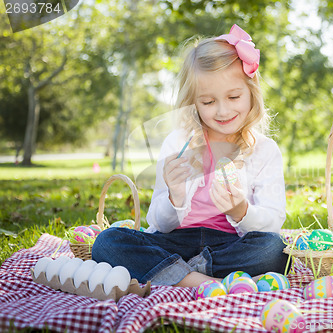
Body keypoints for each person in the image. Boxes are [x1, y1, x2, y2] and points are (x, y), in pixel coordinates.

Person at [92, 24, 288, 288]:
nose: (222, 110)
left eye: (233, 96)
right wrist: (174, 197)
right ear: (193, 102)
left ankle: (176, 274)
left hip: (229, 245)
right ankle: (202, 280)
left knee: (275, 250)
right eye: (208, 102)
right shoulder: (178, 142)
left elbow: (273, 222)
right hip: (174, 242)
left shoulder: (264, 150)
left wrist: (241, 210)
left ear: (251, 93)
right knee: (108, 242)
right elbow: (158, 223)